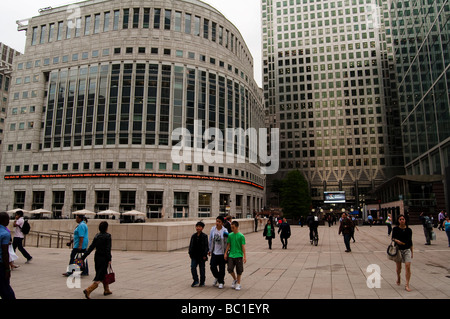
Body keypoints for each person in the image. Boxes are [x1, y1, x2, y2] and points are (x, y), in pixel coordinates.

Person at [81, 221, 112, 299]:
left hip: (97, 257)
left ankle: (106, 290)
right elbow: (108, 249)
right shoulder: (108, 236)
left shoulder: (97, 236)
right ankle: (88, 290)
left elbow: (91, 247)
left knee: (103, 273)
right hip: (104, 258)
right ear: (106, 228)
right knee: (99, 276)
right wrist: (109, 258)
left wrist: (83, 256)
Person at [392, 215, 413, 292]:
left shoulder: (409, 230)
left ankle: (407, 284)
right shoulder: (395, 229)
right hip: (398, 250)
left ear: (405, 220)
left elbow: (411, 241)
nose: (402, 220)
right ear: (398, 221)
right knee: (399, 268)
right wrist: (397, 241)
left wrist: (412, 252)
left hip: (407, 249)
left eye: (403, 219)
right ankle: (398, 276)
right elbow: (393, 238)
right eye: (400, 219)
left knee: (408, 266)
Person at [224, 221, 246, 291]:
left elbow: (243, 247)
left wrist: (244, 256)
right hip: (231, 254)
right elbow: (228, 245)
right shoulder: (230, 235)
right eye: (231, 227)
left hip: (239, 255)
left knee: (239, 270)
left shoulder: (241, 236)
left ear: (237, 227)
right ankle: (235, 279)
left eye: (233, 227)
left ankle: (238, 283)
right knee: (230, 269)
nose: (232, 229)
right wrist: (225, 253)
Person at [208, 216, 228, 288]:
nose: (217, 223)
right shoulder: (213, 229)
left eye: (219, 222)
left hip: (222, 253)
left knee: (222, 268)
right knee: (212, 266)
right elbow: (210, 240)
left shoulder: (225, 231)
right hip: (214, 252)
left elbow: (226, 242)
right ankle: (217, 277)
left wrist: (226, 253)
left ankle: (221, 282)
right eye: (217, 221)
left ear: (222, 223)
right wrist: (210, 250)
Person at [0, 212, 15, 299]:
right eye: (8, 219)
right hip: (1, 265)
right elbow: (5, 252)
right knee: (6, 290)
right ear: (4, 220)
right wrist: (7, 268)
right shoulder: (5, 233)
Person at [189, 221, 209, 287]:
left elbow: (206, 246)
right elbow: (191, 245)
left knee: (202, 269)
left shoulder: (204, 236)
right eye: (197, 226)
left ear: (202, 228)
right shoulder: (193, 236)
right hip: (194, 255)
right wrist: (190, 253)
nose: (198, 228)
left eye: (200, 227)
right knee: (193, 267)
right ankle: (195, 280)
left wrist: (205, 255)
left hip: (201, 256)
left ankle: (202, 282)